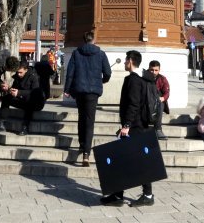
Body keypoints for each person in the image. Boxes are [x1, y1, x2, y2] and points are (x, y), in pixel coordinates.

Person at [101, 50, 157, 207]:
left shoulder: (134, 80)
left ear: (131, 61)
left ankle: (147, 194)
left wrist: (126, 126)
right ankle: (119, 194)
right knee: (125, 159)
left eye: (126, 60)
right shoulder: (146, 78)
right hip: (141, 124)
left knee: (135, 160)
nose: (125, 63)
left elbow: (133, 104)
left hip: (135, 126)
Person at [64, 31, 112, 167]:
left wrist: (67, 89)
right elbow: (108, 72)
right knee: (90, 121)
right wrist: (103, 80)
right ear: (94, 39)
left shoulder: (76, 53)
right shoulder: (101, 54)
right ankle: (86, 153)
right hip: (93, 91)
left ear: (84, 39)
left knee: (81, 117)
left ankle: (81, 144)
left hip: (79, 90)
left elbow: (70, 73)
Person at [0, 61, 46, 135]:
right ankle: (1, 123)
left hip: (36, 103)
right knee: (6, 98)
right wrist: (9, 88)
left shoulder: (34, 77)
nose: (18, 74)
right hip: (22, 100)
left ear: (26, 70)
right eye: (17, 72)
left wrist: (19, 93)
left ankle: (25, 127)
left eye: (21, 72)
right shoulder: (17, 76)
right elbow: (15, 88)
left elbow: (35, 93)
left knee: (30, 100)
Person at [147, 60, 170, 140]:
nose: (153, 72)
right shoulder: (142, 78)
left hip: (157, 102)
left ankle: (158, 129)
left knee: (160, 104)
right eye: (151, 70)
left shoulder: (162, 79)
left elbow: (166, 92)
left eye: (156, 70)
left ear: (159, 70)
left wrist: (162, 98)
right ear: (148, 69)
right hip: (146, 101)